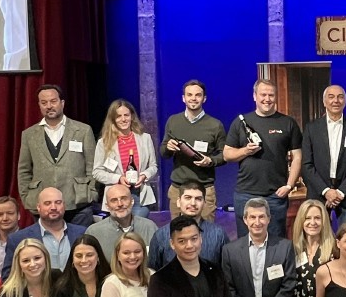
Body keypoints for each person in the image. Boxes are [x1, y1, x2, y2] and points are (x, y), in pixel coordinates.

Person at [224, 79, 303, 241]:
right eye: (263, 95)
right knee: (245, 244)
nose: (267, 99)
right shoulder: (240, 122)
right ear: (255, 96)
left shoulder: (288, 123)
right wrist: (246, 150)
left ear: (276, 97)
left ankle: (274, 268)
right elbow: (227, 155)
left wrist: (289, 185)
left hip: (275, 195)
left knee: (275, 242)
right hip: (245, 193)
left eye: (271, 95)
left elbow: (298, 157)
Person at [16, 84, 98, 216]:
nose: (49, 106)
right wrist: (27, 197)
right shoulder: (29, 134)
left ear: (62, 103)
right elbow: (24, 170)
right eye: (44, 102)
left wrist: (91, 192)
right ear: (39, 105)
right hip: (44, 205)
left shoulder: (83, 130)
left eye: (53, 101)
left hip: (79, 202)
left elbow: (92, 165)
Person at [301, 84, 346, 228]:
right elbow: (306, 164)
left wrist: (341, 192)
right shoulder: (311, 128)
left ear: (345, 101)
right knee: (318, 239)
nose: (335, 100)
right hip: (318, 193)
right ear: (324, 102)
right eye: (331, 97)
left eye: (340, 97)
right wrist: (326, 191)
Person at [160, 79, 225, 220]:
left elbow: (224, 155)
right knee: (178, 233)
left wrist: (210, 161)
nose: (193, 98)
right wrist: (168, 148)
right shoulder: (173, 121)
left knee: (207, 234)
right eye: (189, 95)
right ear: (183, 98)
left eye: (198, 95)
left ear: (204, 98)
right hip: (178, 188)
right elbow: (163, 153)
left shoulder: (215, 125)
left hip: (204, 188)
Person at [92, 99, 159, 217]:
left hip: (140, 196)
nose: (123, 119)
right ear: (113, 119)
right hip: (116, 197)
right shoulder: (104, 143)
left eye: (126, 115)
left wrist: (144, 176)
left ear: (132, 116)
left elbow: (153, 166)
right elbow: (97, 172)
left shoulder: (145, 138)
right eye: (118, 116)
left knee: (137, 232)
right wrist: (118, 178)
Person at [147, 182, 227, 269]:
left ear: (204, 204)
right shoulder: (161, 235)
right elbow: (152, 271)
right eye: (188, 198)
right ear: (178, 202)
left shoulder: (218, 234)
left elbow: (225, 271)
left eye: (198, 199)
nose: (193, 203)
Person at [2, 187, 73, 278]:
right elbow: (8, 277)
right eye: (47, 203)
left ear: (64, 205)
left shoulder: (82, 232)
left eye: (58, 203)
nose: (53, 207)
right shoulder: (17, 239)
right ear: (38, 207)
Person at [289, 199, 334, 297]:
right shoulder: (292, 250)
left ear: (324, 221)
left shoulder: (334, 251)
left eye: (317, 218)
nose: (312, 222)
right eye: (307, 218)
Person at [85, 183, 158, 266]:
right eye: (114, 200)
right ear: (107, 206)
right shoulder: (94, 232)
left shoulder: (149, 227)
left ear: (132, 201)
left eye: (124, 198)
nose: (119, 204)